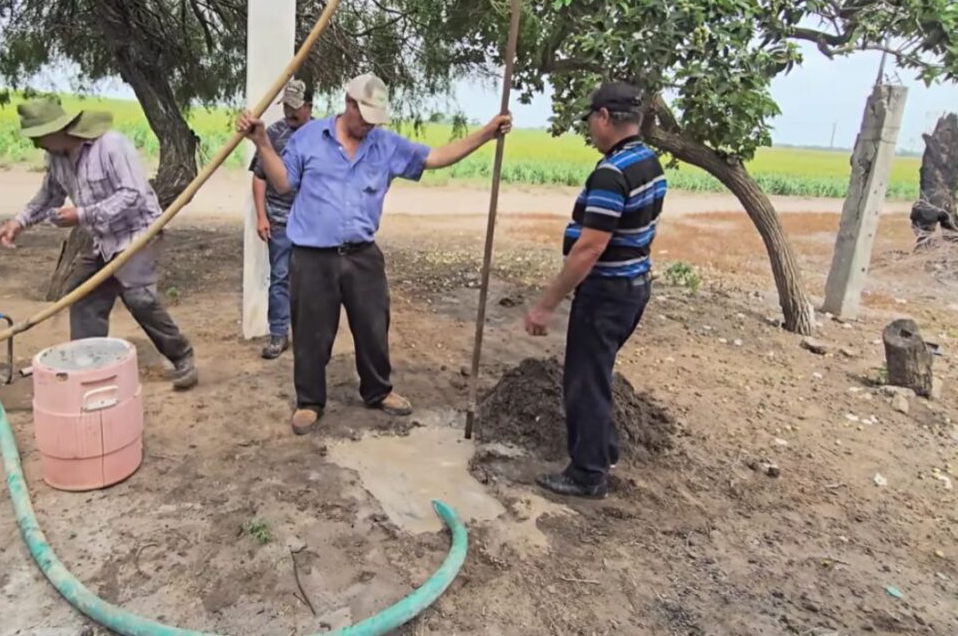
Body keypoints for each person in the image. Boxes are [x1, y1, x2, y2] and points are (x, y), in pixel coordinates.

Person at [237, 73, 512, 434]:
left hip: (362, 255)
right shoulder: (309, 137)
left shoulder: (385, 144)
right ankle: (309, 401)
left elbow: (437, 157)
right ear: (348, 103)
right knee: (311, 333)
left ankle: (378, 390)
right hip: (312, 256)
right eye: (363, 115)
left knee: (372, 326)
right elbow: (283, 182)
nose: (368, 124)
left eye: (373, 118)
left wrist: (486, 133)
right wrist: (262, 143)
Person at [0, 98, 198, 390]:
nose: (37, 144)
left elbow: (133, 194)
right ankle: (91, 367)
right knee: (84, 296)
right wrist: (18, 223)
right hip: (104, 239)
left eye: (39, 137)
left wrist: (81, 214)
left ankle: (183, 357)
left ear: (58, 129)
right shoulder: (55, 157)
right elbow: (48, 195)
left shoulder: (111, 145)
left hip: (138, 232)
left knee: (139, 298)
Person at [523, 82, 666, 498]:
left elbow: (590, 247)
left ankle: (587, 474)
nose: (589, 127)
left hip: (607, 292)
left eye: (590, 119)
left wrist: (546, 305)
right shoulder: (648, 161)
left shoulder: (612, 171)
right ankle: (604, 449)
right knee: (598, 371)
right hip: (634, 286)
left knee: (584, 379)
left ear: (604, 117)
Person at [250, 79, 313, 359]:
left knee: (312, 280)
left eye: (296, 107)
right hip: (279, 220)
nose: (290, 112)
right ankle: (278, 334)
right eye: (286, 105)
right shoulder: (272, 135)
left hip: (312, 224)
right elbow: (260, 178)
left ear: (310, 106)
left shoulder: (322, 135)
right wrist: (262, 216)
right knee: (279, 277)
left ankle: (309, 335)